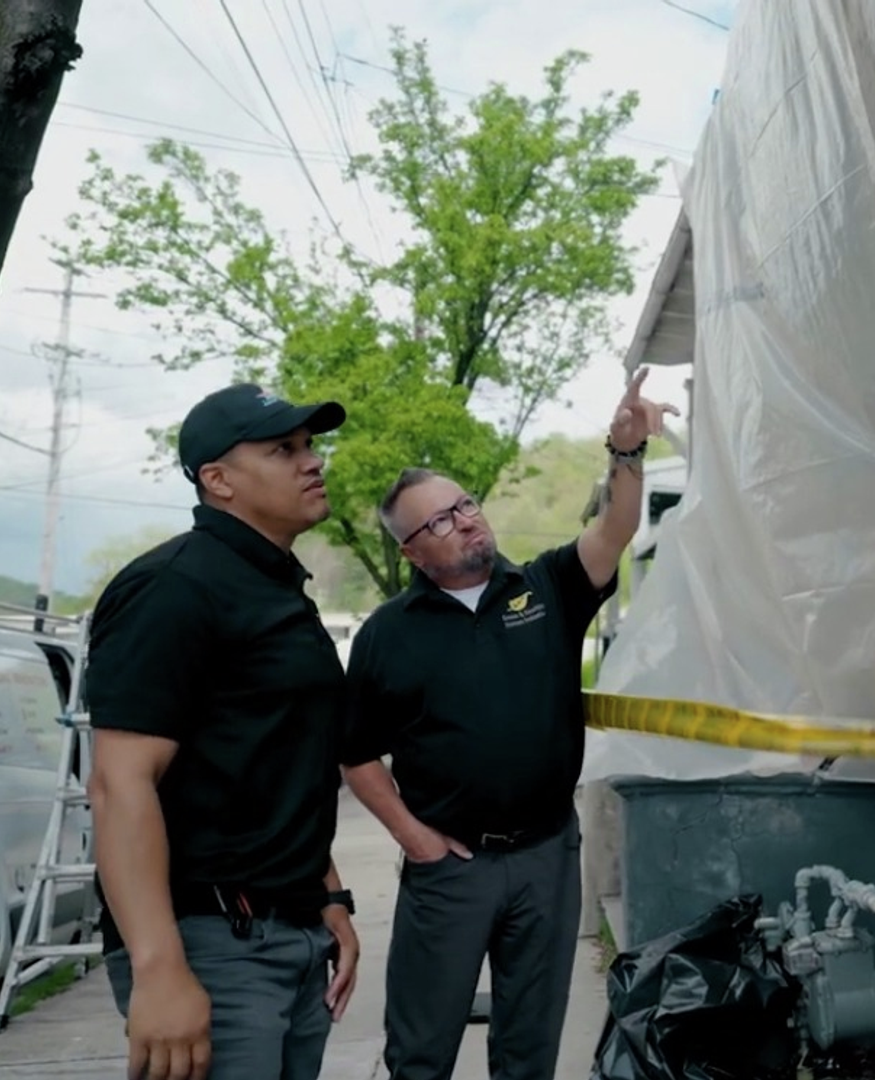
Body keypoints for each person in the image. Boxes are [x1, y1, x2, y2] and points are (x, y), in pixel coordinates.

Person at [341, 367, 678, 1080]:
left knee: (529, 1047)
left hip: (546, 859)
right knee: (421, 1047)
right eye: (439, 520)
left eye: (464, 504)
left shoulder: (546, 587)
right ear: (412, 553)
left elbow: (615, 528)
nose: (464, 519)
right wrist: (417, 841)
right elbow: (356, 756)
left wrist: (625, 455)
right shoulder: (387, 635)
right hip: (451, 870)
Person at [84, 383, 363, 1080]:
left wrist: (325, 895)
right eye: (283, 449)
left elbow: (280, 764)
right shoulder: (174, 587)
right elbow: (120, 784)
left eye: (309, 446)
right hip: (212, 946)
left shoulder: (276, 592)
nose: (311, 461)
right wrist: (159, 969)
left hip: (293, 933)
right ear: (219, 480)